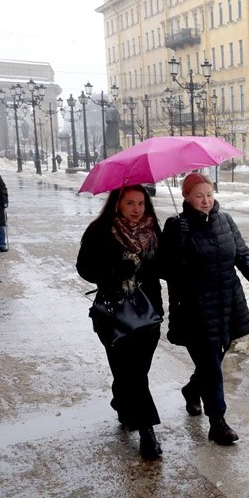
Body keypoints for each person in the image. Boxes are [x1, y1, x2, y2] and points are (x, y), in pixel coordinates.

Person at [159, 173, 249, 446]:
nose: (206, 200)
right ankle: (218, 423)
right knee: (211, 366)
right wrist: (180, 241)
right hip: (195, 307)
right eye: (199, 195)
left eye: (209, 194)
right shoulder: (175, 226)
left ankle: (191, 390)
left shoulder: (225, 220)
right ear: (186, 197)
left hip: (227, 302)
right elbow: (164, 269)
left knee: (214, 361)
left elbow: (242, 253)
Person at [76, 185, 165, 459]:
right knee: (132, 373)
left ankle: (123, 402)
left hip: (148, 313)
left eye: (141, 203)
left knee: (135, 372)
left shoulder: (153, 232)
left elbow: (162, 267)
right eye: (130, 203)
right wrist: (114, 272)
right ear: (117, 204)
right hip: (113, 314)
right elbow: (84, 268)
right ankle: (147, 432)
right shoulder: (100, 231)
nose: (137, 209)